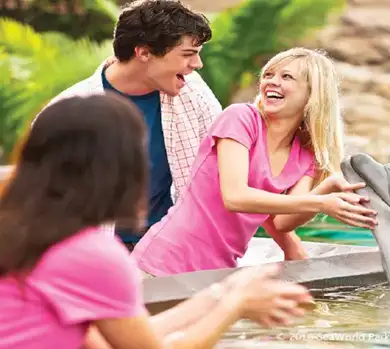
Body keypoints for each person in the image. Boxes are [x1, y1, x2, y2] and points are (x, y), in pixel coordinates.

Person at [0, 93, 313, 349]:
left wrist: (222, 292)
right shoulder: (90, 255)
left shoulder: (22, 234)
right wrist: (235, 303)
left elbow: (127, 339)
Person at [131, 47, 379, 277]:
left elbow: (283, 221)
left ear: (313, 94)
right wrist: (321, 202)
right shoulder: (241, 119)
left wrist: (328, 186)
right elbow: (235, 197)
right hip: (162, 262)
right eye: (269, 74)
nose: (272, 81)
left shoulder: (306, 154)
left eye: (286, 77)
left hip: (217, 271)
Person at [32, 0, 223, 248]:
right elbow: (40, 199)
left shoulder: (193, 91)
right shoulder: (69, 111)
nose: (197, 64)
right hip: (91, 252)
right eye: (188, 54)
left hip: (169, 247)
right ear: (143, 52)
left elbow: (224, 163)